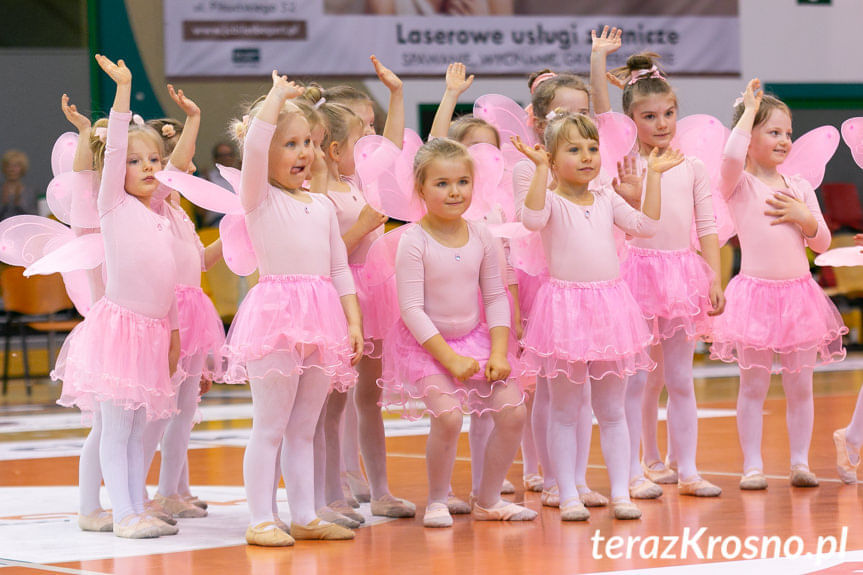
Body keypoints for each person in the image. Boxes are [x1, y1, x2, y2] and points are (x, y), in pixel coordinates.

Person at [514, 111, 683, 520]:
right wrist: (538, 173)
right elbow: (530, 218)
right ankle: (567, 492)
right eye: (573, 149)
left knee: (612, 410)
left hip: (610, 307)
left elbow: (645, 224)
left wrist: (654, 178)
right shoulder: (551, 199)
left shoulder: (607, 197)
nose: (587, 156)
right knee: (565, 409)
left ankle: (621, 492)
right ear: (552, 160)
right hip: (565, 310)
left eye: (592, 148)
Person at [224, 71, 364, 546]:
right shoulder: (258, 198)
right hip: (276, 319)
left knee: (304, 429)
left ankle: (304, 514)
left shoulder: (321, 205)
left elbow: (340, 269)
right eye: (290, 144)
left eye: (309, 142)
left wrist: (353, 320)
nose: (303, 152)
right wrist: (276, 101)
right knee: (270, 426)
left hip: (323, 318)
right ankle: (261, 518)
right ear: (266, 153)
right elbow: (256, 148)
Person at [53, 55, 181, 539]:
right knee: (118, 429)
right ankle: (124, 514)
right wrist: (123, 92)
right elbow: (116, 143)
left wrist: (171, 332)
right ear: (113, 166)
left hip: (150, 332)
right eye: (133, 160)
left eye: (154, 161)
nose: (147, 167)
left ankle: (134, 506)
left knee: (137, 430)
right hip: (119, 328)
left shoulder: (158, 213)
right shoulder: (112, 203)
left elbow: (166, 279)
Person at [379, 138, 534, 528]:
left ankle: (488, 498)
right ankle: (436, 499)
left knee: (513, 412)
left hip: (476, 338)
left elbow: (496, 295)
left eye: (462, 182)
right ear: (421, 189)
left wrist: (499, 352)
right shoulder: (413, 240)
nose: (454, 192)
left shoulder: (482, 234)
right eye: (442, 183)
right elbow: (411, 308)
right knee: (447, 418)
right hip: (427, 346)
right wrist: (448, 359)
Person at [598, 44, 725, 498]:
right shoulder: (624, 165)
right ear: (630, 120)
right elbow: (623, 220)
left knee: (680, 378)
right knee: (634, 379)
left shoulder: (691, 167)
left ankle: (687, 468)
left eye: (668, 113)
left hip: (682, 276)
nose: (662, 124)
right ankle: (632, 469)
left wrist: (714, 275)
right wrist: (633, 192)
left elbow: (706, 226)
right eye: (649, 116)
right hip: (635, 275)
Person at [712, 78, 846, 490]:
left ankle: (800, 462)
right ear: (749, 138)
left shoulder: (799, 187)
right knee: (753, 385)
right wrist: (749, 110)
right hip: (754, 295)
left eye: (788, 133)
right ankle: (752, 465)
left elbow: (821, 241)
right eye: (773, 132)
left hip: (799, 296)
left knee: (799, 385)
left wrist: (804, 216)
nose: (785, 140)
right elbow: (731, 154)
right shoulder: (739, 184)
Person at [0, 149, 37, 219]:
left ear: (23, 168)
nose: (11, 169)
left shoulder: (30, 191)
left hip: (24, 228)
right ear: (4, 168)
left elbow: (35, 216)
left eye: (16, 166)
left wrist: (19, 204)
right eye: (8, 165)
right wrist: (3, 204)